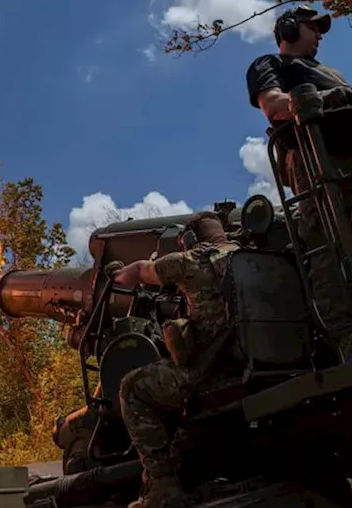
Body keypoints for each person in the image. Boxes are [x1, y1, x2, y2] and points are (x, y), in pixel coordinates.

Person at [245, 5, 352, 362]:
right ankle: (346, 339)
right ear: (289, 30)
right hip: (313, 159)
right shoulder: (271, 64)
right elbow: (273, 104)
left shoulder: (331, 72)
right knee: (326, 251)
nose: (319, 35)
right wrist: (318, 99)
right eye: (312, 28)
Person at [113, 212, 242, 508]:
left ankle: (162, 487)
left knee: (132, 388)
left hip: (213, 371)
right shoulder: (248, 254)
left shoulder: (194, 260)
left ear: (191, 241)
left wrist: (116, 272)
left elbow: (140, 272)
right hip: (250, 362)